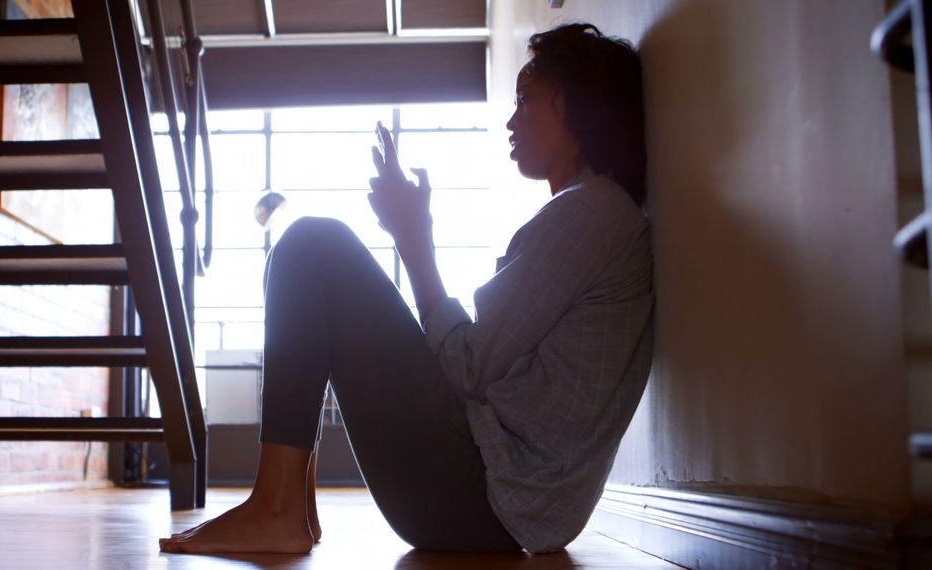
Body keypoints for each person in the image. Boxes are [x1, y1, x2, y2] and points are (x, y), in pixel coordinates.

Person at [159, 22, 653, 556]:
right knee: (305, 250)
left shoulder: (590, 213)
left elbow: (467, 367)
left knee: (310, 243)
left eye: (526, 100)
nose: (512, 120)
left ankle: (278, 509)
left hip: (482, 499)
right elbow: (482, 368)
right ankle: (289, 508)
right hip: (495, 503)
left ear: (577, 109)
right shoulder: (597, 218)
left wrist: (415, 240)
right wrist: (412, 238)